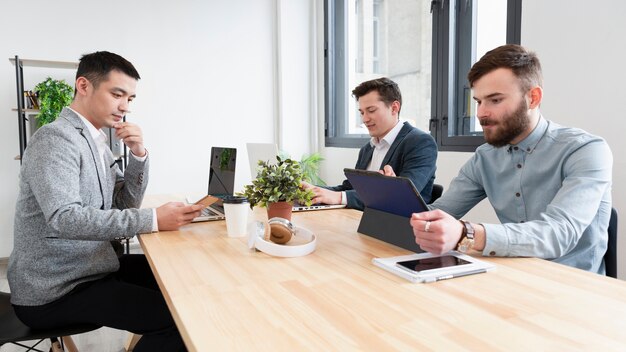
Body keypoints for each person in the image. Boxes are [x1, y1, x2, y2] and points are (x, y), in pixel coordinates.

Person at [7, 51, 204, 351]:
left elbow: (124, 205)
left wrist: (138, 154)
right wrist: (154, 219)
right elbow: (65, 218)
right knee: (180, 320)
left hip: (89, 268)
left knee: (181, 283)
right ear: (84, 86)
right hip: (56, 289)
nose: (124, 107)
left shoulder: (97, 141)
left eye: (131, 99)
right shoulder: (55, 139)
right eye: (117, 94)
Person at [407, 44, 612, 274]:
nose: (481, 113)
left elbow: (558, 233)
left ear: (533, 98)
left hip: (575, 288)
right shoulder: (485, 157)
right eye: (478, 101)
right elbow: (439, 211)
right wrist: (394, 196)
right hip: (513, 276)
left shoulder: (586, 150)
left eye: (495, 100)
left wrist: (468, 234)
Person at [303, 77, 438, 210]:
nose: (365, 119)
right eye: (362, 112)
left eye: (371, 110)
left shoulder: (420, 142)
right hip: (362, 221)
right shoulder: (367, 149)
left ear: (394, 108)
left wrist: (339, 197)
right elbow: (349, 189)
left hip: (402, 226)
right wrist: (314, 190)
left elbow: (403, 196)